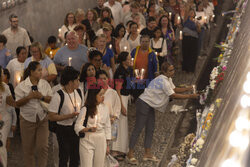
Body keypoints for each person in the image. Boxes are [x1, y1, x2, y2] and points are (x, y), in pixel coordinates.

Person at [127, 62, 199, 165]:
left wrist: (188, 89)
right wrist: (190, 96)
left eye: (173, 69)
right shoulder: (164, 81)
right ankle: (130, 153)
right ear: (164, 71)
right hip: (143, 103)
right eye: (170, 70)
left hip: (149, 104)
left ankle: (147, 153)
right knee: (138, 128)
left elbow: (174, 89)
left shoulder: (167, 79)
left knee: (150, 128)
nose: (173, 72)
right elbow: (173, 95)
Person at [15, 61, 52, 167]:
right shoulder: (22, 86)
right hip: (27, 120)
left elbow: (52, 99)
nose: (42, 72)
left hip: (42, 119)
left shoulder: (44, 84)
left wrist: (42, 97)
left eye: (42, 70)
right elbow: (17, 104)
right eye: (39, 70)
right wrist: (28, 97)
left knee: (43, 147)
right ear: (31, 72)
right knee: (28, 149)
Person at [48, 66, 83, 167]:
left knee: (75, 156)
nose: (78, 82)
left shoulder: (79, 91)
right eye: (77, 80)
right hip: (63, 129)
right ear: (70, 82)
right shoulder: (58, 95)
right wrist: (69, 116)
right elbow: (51, 116)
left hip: (75, 128)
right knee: (64, 156)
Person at [74, 85, 111, 167]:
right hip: (87, 139)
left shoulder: (105, 108)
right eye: (100, 95)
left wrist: (107, 144)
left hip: (101, 139)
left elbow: (107, 126)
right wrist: (88, 129)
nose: (103, 97)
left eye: (103, 94)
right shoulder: (85, 109)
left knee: (99, 164)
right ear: (94, 96)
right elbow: (77, 126)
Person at [112, 52, 133, 161]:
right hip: (121, 98)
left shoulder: (127, 70)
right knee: (120, 124)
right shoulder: (120, 72)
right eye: (129, 59)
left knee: (123, 124)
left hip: (125, 97)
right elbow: (118, 89)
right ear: (123, 60)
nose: (131, 60)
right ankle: (116, 149)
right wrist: (121, 105)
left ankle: (122, 148)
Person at [0, 66, 16, 167]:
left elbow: (12, 103)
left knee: (1, 145)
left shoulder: (5, 87)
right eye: (1, 73)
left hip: (3, 120)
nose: (3, 75)